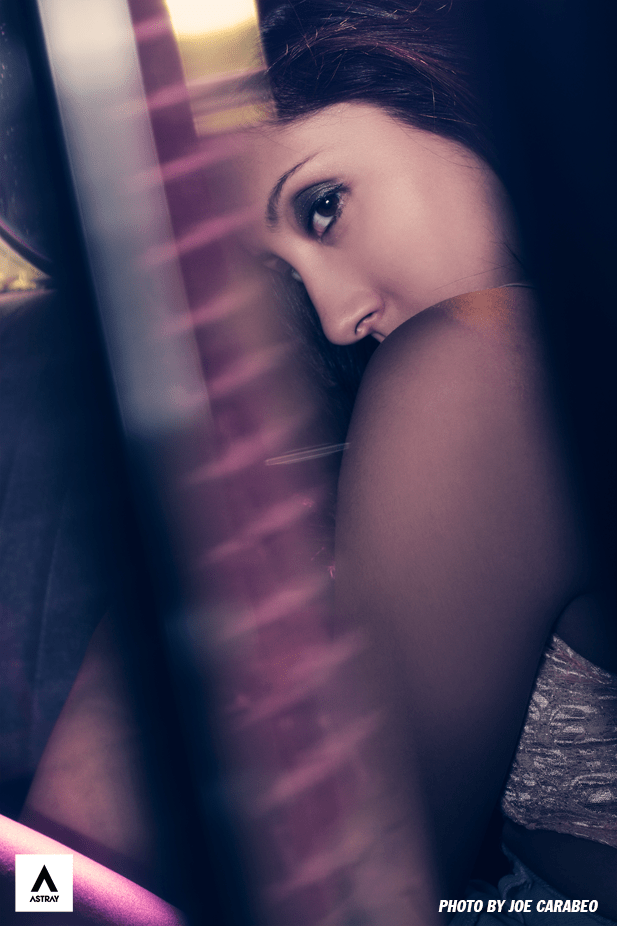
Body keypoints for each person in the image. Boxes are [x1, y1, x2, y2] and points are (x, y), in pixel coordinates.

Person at [242, 0, 617, 921]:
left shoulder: (478, 367)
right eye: (287, 273)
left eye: (323, 205)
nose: (339, 320)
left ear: (449, 84)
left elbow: (359, 897)